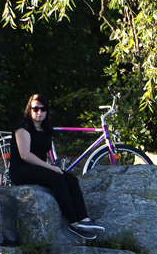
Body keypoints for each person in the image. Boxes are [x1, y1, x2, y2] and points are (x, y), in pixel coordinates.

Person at [9, 94, 105, 240]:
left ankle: (84, 220)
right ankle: (74, 223)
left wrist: (50, 167)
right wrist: (49, 167)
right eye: (35, 109)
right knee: (56, 179)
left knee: (71, 179)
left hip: (37, 168)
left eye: (43, 109)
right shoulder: (23, 127)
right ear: (29, 110)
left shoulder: (46, 129)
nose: (39, 112)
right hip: (21, 169)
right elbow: (25, 155)